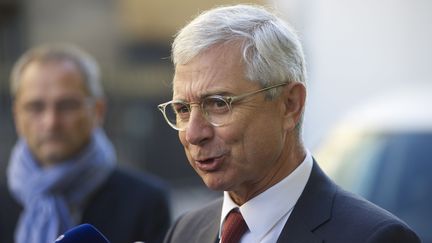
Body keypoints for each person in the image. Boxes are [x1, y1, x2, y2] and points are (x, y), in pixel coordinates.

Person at [158, 4, 420, 243]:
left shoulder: (376, 237)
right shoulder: (185, 231)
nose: (193, 133)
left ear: (289, 104)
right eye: (182, 109)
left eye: (218, 103)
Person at [0, 44, 170, 243]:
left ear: (98, 110)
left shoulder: (145, 203)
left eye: (67, 105)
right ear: (16, 115)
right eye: (35, 107)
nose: (51, 121)